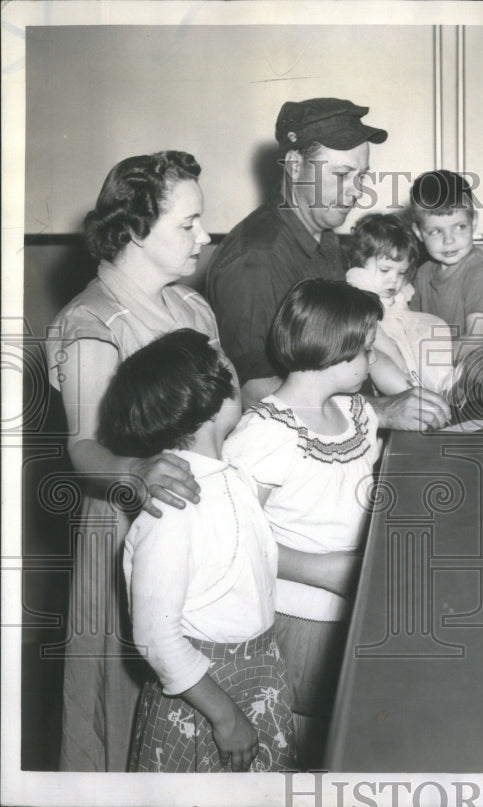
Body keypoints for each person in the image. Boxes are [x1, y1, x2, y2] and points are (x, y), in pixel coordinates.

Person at [45, 151, 221, 771]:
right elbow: (83, 447)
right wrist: (137, 472)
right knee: (130, 706)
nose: (204, 235)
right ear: (135, 229)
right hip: (129, 526)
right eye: (188, 224)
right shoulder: (92, 320)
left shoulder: (195, 309)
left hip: (201, 521)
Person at [99, 329, 296, 772]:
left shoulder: (233, 478)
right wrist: (224, 717)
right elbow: (156, 638)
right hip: (203, 703)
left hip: (257, 674)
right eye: (229, 368)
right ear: (211, 395)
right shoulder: (172, 509)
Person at [205, 96, 449, 429]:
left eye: (360, 176)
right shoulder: (257, 258)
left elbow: (367, 340)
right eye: (341, 175)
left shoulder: (326, 239)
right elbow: (254, 394)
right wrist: (381, 412)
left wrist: (415, 397)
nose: (356, 192)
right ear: (294, 166)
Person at [222, 279, 383, 769]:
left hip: (353, 604)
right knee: (306, 738)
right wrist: (326, 570)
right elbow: (232, 538)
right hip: (301, 618)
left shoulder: (357, 414)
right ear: (335, 349)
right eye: (368, 350)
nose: (373, 361)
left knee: (347, 727)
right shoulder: (265, 433)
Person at [346, 213, 457, 394]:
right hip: (378, 340)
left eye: (401, 273)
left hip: (400, 332)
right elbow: (377, 334)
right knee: (390, 346)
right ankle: (411, 387)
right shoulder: (358, 283)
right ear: (360, 261)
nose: (394, 280)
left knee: (434, 326)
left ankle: (444, 382)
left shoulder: (397, 289)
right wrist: (403, 362)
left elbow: (406, 319)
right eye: (385, 270)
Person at [409, 169, 483, 364]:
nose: (449, 241)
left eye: (459, 227)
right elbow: (411, 327)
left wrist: (420, 362)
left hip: (473, 384)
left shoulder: (480, 274)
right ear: (419, 233)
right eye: (435, 231)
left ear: (474, 222)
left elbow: (473, 341)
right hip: (437, 378)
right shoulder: (422, 274)